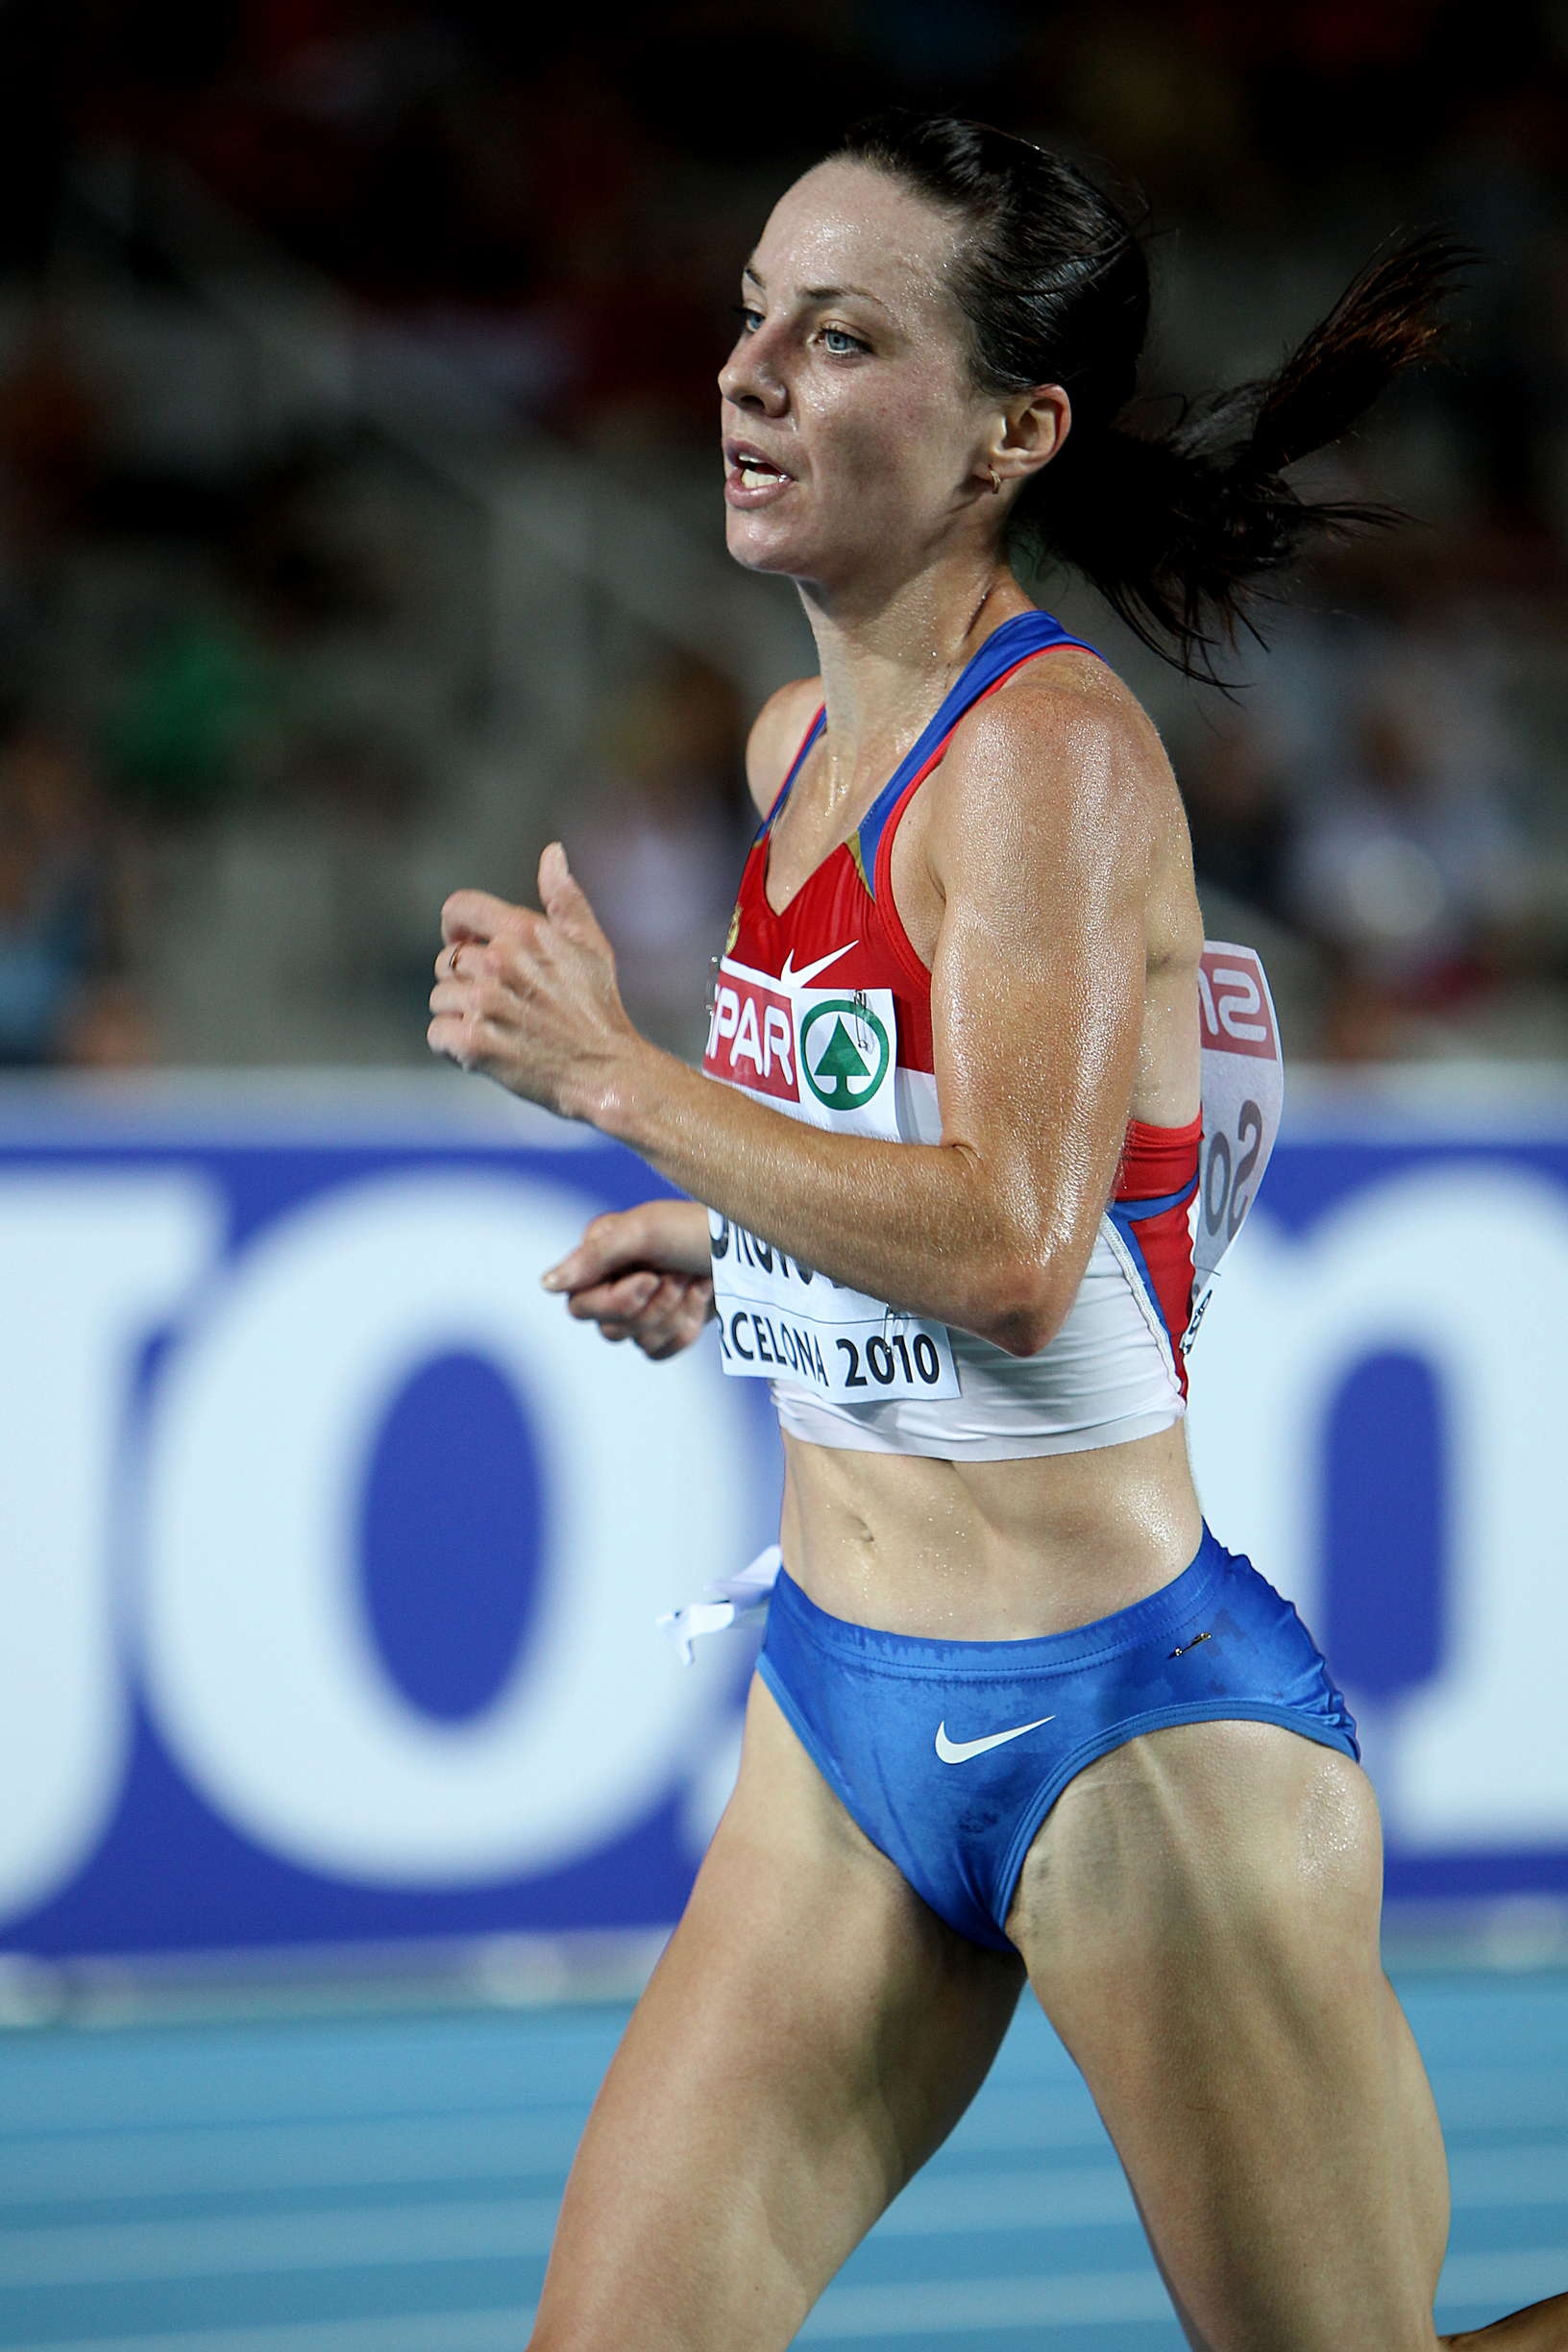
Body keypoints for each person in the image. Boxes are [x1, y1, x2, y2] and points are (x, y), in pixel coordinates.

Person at [428, 112, 1567, 2352]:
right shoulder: (792, 751)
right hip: (835, 1718)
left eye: (842, 337)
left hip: (1123, 1729)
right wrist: (728, 1241)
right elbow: (967, 1195)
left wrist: (617, 1077)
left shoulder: (1050, 759)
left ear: (1012, 433)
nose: (751, 371)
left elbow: (1020, 1251)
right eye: (754, 311)